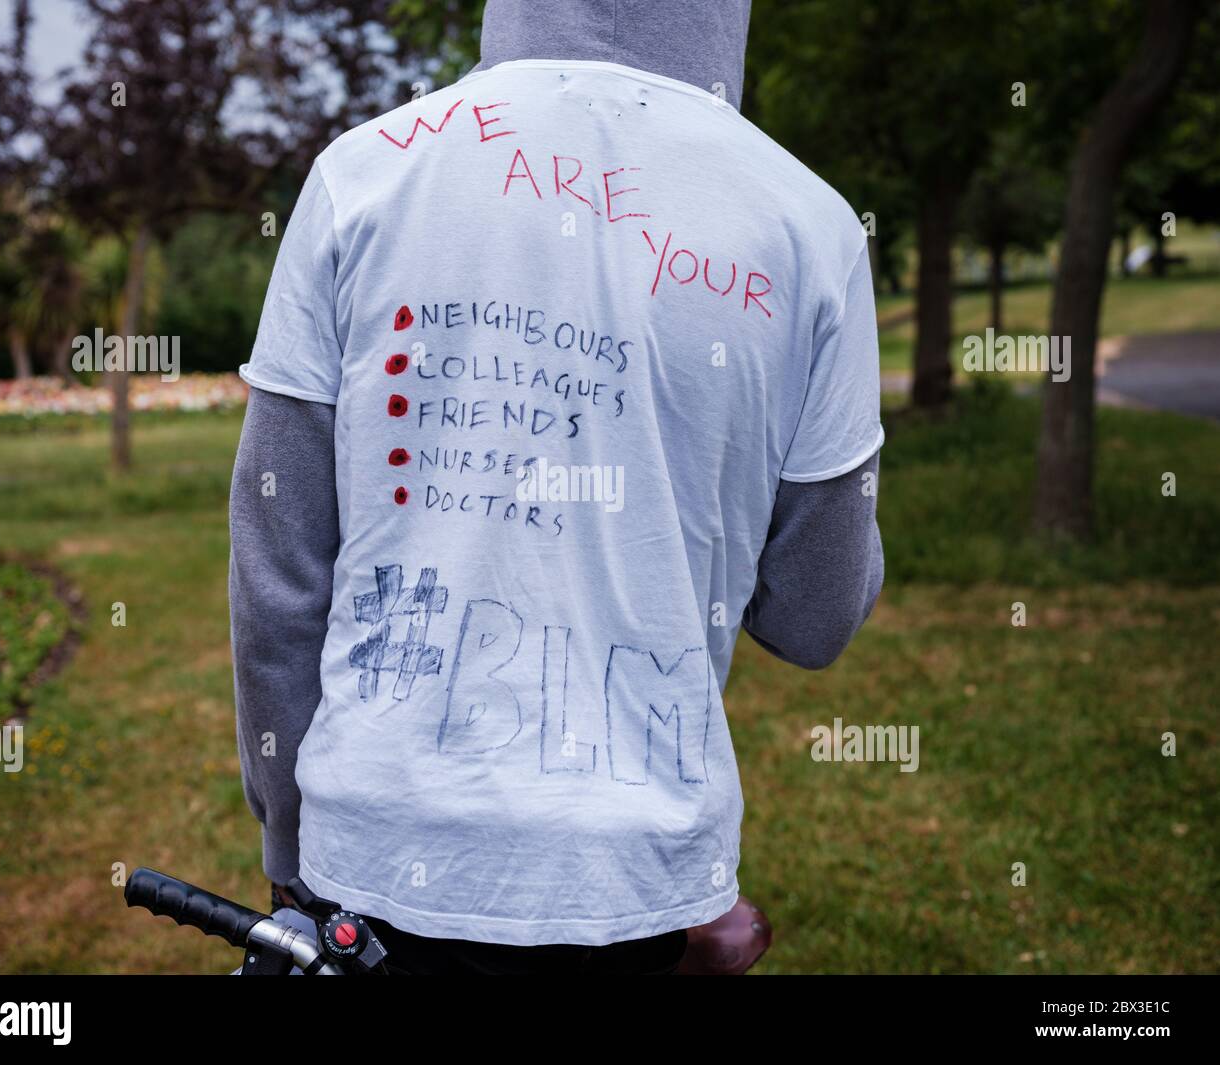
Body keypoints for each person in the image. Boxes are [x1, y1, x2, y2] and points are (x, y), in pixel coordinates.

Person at [230, 0, 883, 976]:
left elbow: (278, 574)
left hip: (367, 864)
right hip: (627, 882)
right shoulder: (807, 224)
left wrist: (288, 848)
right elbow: (816, 614)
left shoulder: (363, 175)